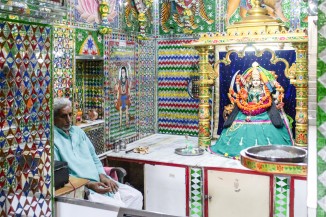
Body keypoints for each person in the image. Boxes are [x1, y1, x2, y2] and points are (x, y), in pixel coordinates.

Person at [53, 97, 143, 209]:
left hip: (100, 181)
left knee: (136, 196)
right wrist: (89, 184)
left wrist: (103, 176)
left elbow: (94, 157)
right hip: (84, 189)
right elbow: (60, 175)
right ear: (54, 118)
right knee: (119, 208)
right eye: (63, 116)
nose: (68, 120)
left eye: (70, 115)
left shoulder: (78, 132)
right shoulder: (53, 140)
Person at [210, 62, 294, 159]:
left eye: (257, 80)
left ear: (261, 81)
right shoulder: (247, 90)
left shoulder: (265, 91)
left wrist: (278, 90)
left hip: (263, 110)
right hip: (246, 110)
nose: (256, 82)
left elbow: (274, 96)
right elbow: (240, 95)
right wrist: (238, 85)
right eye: (254, 80)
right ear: (251, 81)